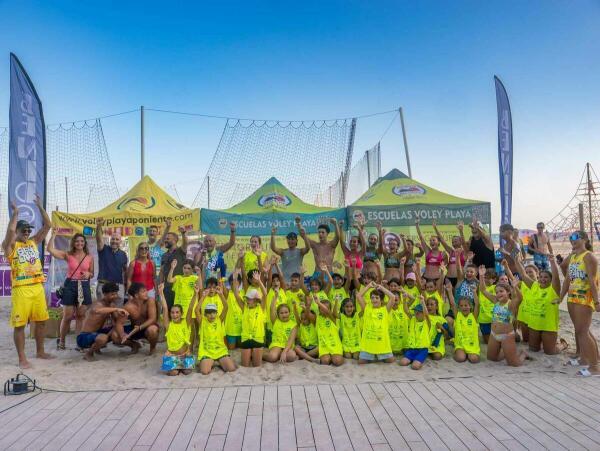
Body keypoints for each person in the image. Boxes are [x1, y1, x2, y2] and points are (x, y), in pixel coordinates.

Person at [2, 197, 54, 368]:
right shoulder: (10, 247)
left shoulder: (33, 242)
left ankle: (40, 351)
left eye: (27, 230)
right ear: (17, 231)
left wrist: (40, 205)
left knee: (41, 322)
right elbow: (9, 233)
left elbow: (48, 226)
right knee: (20, 325)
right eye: (23, 230)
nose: (26, 232)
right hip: (21, 289)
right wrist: (15, 214)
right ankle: (22, 358)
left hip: (37, 287)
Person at [560, 231, 600, 376]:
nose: (572, 240)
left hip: (584, 298)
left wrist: (596, 301)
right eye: (571, 238)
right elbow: (567, 279)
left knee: (583, 332)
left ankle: (595, 367)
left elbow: (592, 280)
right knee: (581, 331)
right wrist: (561, 297)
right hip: (572, 297)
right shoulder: (573, 256)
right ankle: (584, 359)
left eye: (575, 237)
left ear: (584, 239)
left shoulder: (589, 257)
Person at [48, 230, 94, 350]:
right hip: (70, 286)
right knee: (67, 316)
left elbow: (92, 273)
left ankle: (80, 343)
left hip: (83, 286)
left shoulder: (89, 257)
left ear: (84, 243)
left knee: (80, 316)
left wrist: (89, 273)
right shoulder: (68, 255)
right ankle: (62, 342)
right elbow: (50, 250)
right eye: (77, 241)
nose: (79, 243)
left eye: (82, 241)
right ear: (73, 243)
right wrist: (53, 236)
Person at [515, 254, 567, 355]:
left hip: (548, 326)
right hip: (534, 325)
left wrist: (552, 262)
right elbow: (523, 274)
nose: (543, 279)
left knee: (550, 352)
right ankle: (546, 342)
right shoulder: (534, 286)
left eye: (546, 277)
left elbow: (556, 277)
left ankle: (563, 345)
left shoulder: (553, 290)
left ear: (550, 280)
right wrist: (516, 260)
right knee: (533, 349)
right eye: (541, 277)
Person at [478, 266, 527, 366]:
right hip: (494, 334)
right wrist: (482, 276)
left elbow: (520, 298)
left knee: (514, 364)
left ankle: (523, 354)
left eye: (501, 291)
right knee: (491, 358)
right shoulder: (495, 300)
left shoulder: (510, 304)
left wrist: (515, 287)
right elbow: (483, 290)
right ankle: (507, 353)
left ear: (508, 292)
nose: (498, 294)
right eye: (497, 292)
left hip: (507, 336)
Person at [76, 282, 129, 361]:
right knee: (103, 338)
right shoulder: (98, 304)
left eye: (116, 294)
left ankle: (134, 346)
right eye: (112, 294)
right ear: (104, 294)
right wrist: (117, 309)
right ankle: (89, 354)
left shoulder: (111, 305)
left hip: (97, 333)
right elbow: (97, 310)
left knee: (117, 330)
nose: (115, 296)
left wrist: (122, 316)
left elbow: (116, 321)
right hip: (83, 336)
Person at [194, 285, 236, 374]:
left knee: (231, 368)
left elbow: (226, 307)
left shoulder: (219, 319)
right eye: (209, 313)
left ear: (216, 313)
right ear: (205, 314)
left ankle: (216, 361)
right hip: (207, 351)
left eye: (213, 312)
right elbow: (196, 310)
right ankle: (209, 362)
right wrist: (203, 296)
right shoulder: (202, 321)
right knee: (205, 372)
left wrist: (221, 295)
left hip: (220, 350)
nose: (212, 315)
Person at [157, 283, 195, 376]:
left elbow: (190, 308)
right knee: (173, 373)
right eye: (173, 313)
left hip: (185, 354)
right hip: (172, 355)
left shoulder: (186, 323)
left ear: (181, 314)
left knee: (187, 372)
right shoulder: (168, 325)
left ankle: (179, 366)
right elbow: (165, 308)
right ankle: (177, 367)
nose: (175, 315)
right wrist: (161, 293)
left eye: (177, 312)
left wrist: (195, 294)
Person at [233, 273, 268, 367]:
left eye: (250, 298)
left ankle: (257, 354)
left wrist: (259, 280)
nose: (247, 300)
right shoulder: (244, 308)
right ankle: (251, 354)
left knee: (257, 365)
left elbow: (265, 294)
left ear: (256, 300)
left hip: (258, 339)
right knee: (245, 365)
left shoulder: (260, 308)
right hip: (246, 339)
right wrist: (235, 281)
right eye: (247, 298)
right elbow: (236, 295)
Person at [356, 282, 396, 364]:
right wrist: (368, 286)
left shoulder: (385, 310)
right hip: (368, 345)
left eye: (377, 298)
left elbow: (392, 297)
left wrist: (381, 288)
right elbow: (358, 296)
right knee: (361, 362)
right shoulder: (367, 308)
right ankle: (373, 355)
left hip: (382, 344)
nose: (374, 300)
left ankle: (378, 355)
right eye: (372, 298)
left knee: (390, 361)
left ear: (381, 300)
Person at [116, 282, 159, 355]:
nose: (146, 293)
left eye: (146, 291)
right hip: (134, 329)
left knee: (153, 330)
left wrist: (139, 327)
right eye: (143, 292)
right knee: (115, 336)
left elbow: (153, 319)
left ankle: (152, 348)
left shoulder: (150, 301)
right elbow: (119, 323)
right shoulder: (128, 306)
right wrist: (122, 335)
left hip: (147, 328)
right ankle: (134, 345)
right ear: (136, 295)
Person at [95, 218, 128, 305]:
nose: (114, 241)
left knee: (118, 312)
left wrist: (125, 285)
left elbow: (125, 271)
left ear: (120, 241)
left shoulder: (123, 254)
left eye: (117, 239)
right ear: (110, 240)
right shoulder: (103, 249)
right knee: (102, 313)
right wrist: (99, 226)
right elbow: (99, 239)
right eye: (113, 239)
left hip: (118, 286)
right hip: (103, 285)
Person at [309, 293, 345, 366]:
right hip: (323, 345)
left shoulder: (332, 317)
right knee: (325, 361)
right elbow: (308, 315)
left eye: (326, 308)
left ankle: (335, 357)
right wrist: (308, 305)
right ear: (319, 309)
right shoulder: (317, 318)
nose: (324, 310)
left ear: (330, 309)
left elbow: (327, 312)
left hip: (335, 345)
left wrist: (318, 303)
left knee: (337, 361)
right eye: (321, 308)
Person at [263, 292, 299, 363]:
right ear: (278, 314)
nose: (284, 314)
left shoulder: (293, 324)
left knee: (291, 356)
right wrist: (275, 297)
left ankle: (277, 354)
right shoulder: (276, 321)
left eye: (286, 312)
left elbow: (291, 340)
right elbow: (271, 309)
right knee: (272, 358)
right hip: (277, 344)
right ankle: (261, 353)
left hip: (288, 346)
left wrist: (284, 352)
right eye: (281, 313)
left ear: (289, 313)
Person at [159, 227, 189, 311]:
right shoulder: (164, 255)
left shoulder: (181, 251)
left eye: (168, 239)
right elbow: (161, 271)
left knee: (179, 311)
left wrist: (183, 233)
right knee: (167, 311)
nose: (165, 240)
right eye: (165, 239)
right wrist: (160, 285)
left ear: (175, 240)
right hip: (167, 289)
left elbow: (186, 242)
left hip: (179, 288)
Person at [399, 296, 431, 370]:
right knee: (402, 363)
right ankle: (415, 360)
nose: (416, 314)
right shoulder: (413, 319)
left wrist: (422, 302)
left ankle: (417, 361)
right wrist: (404, 298)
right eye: (415, 312)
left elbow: (426, 314)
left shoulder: (427, 322)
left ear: (423, 313)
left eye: (418, 312)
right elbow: (406, 310)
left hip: (422, 350)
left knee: (415, 366)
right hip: (412, 349)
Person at [432, 221, 465, 287]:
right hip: (448, 278)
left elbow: (464, 242)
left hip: (459, 278)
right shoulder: (451, 251)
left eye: (455, 241)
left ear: (461, 241)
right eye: (452, 242)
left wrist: (461, 231)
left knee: (457, 297)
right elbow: (442, 240)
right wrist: (435, 228)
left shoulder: (464, 252)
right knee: (449, 296)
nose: (453, 243)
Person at [148, 221, 171, 286]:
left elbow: (163, 237)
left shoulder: (159, 244)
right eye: (150, 231)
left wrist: (168, 227)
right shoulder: (144, 246)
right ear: (148, 233)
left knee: (158, 293)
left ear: (157, 233)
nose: (152, 232)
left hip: (158, 274)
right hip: (148, 273)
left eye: (154, 231)